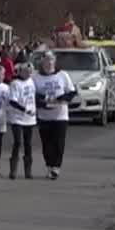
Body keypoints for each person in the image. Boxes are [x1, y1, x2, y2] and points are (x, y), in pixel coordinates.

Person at [31, 50, 78, 179]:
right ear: (42, 62)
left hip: (60, 115)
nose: (49, 63)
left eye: (51, 61)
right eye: (46, 61)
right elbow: (32, 95)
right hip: (44, 116)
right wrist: (43, 101)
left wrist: (62, 99)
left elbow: (72, 92)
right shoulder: (36, 77)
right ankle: (49, 165)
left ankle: (56, 167)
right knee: (47, 143)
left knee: (59, 142)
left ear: (55, 62)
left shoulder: (63, 75)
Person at [5, 59, 37, 180]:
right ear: (21, 71)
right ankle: (13, 170)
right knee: (18, 142)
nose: (28, 74)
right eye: (26, 72)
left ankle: (28, 171)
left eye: (30, 72)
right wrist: (24, 109)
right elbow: (13, 101)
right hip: (17, 117)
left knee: (28, 143)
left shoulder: (31, 82)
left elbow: (34, 96)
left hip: (30, 118)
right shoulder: (15, 84)